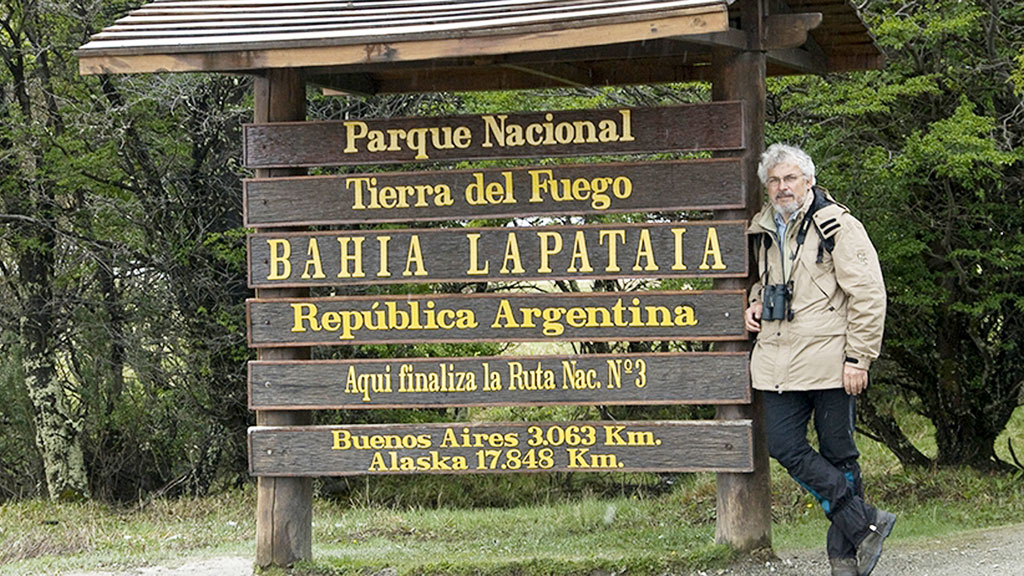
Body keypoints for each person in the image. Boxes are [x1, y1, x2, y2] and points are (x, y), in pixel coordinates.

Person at [744, 144, 895, 576]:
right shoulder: (765, 229)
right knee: (783, 445)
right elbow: (769, 284)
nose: (782, 187)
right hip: (776, 359)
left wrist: (859, 358)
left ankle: (844, 559)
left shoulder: (838, 226)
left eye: (790, 178)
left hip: (832, 360)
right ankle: (867, 523)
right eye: (774, 180)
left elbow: (868, 295)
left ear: (808, 181)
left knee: (839, 454)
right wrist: (754, 303)